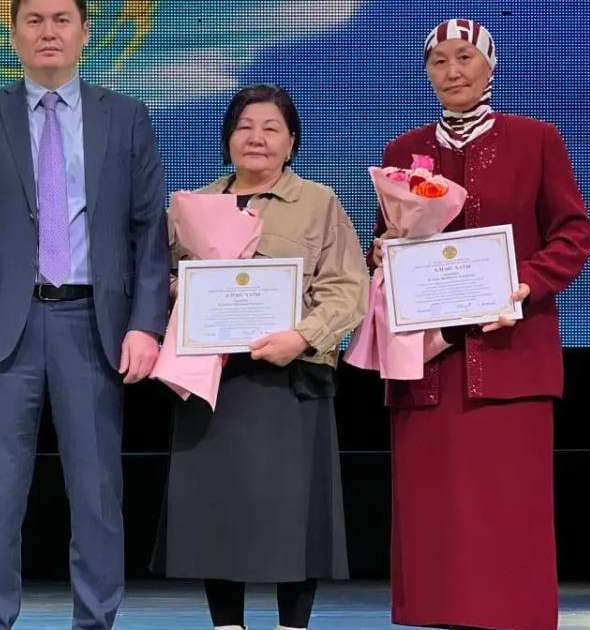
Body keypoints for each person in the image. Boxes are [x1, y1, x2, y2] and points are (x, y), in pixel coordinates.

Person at [0, 0, 168, 626]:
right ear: (13, 35)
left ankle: (95, 620)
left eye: (61, 19)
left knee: (97, 496)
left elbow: (148, 231)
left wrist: (147, 323)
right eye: (34, 20)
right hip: (5, 331)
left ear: (84, 33)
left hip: (93, 326)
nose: (48, 31)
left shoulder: (125, 117)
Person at [370, 19, 590, 630]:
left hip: (511, 356)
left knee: (507, 513)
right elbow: (382, 247)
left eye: (464, 57)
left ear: (489, 66)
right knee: (435, 516)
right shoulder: (402, 152)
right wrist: (385, 247)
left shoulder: (536, 139)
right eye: (438, 61)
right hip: (429, 367)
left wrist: (524, 283)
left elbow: (574, 232)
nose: (452, 71)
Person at [150, 84, 367, 630]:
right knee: (218, 510)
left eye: (271, 128)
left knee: (294, 514)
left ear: (291, 142)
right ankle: (227, 624)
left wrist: (303, 336)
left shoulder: (319, 202)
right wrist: (179, 291)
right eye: (245, 126)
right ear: (227, 138)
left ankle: (292, 624)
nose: (257, 138)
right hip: (214, 381)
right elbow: (159, 280)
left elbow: (347, 288)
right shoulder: (191, 207)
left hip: (291, 380)